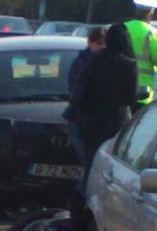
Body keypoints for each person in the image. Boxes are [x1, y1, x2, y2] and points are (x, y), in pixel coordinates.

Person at [68, 23, 138, 231]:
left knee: (91, 167)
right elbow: (131, 98)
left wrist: (78, 110)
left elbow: (79, 90)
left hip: (90, 123)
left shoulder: (95, 60)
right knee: (114, 169)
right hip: (115, 125)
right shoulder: (129, 65)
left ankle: (80, 212)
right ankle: (108, 209)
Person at [65, 27, 105, 185]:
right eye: (99, 43)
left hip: (93, 122)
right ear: (90, 42)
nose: (102, 47)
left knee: (91, 167)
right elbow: (77, 93)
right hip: (80, 121)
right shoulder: (81, 63)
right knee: (88, 165)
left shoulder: (103, 62)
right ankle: (79, 201)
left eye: (105, 44)